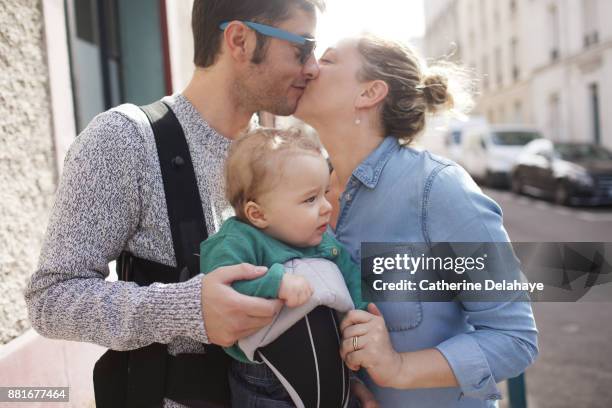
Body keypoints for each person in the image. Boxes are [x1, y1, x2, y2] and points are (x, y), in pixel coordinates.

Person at [23, 1, 339, 407]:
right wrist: (188, 309)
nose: (312, 67)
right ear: (240, 40)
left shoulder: (279, 153)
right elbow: (50, 300)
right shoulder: (124, 141)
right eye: (302, 48)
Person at [295, 35, 539, 407]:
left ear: (370, 92)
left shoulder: (438, 188)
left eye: (327, 60)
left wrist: (398, 368)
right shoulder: (304, 192)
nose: (310, 66)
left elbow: (515, 339)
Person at [199, 128, 369, 407]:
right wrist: (277, 282)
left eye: (325, 194)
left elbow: (351, 277)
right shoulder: (237, 241)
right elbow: (222, 290)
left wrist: (361, 315)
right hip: (267, 381)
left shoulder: (324, 241)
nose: (327, 207)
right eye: (310, 199)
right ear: (259, 214)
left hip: (335, 374)